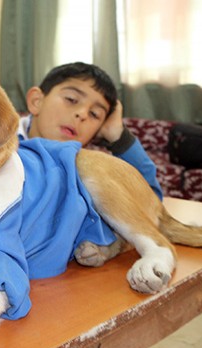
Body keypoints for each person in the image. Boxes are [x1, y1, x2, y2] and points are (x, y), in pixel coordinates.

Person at [18, 62, 163, 265]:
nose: (82, 114)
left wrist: (117, 136)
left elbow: (149, 207)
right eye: (71, 99)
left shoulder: (84, 166)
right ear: (36, 101)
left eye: (95, 114)